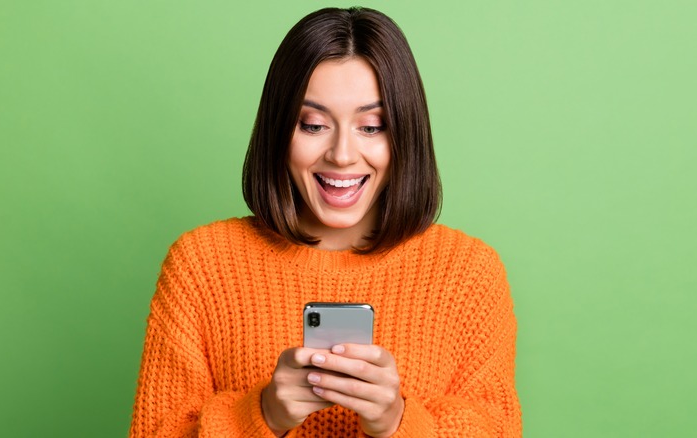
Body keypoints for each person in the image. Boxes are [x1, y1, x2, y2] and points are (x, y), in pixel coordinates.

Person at [129, 7, 520, 437]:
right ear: (279, 129)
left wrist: (396, 423)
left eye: (372, 127)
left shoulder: (468, 274)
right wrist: (263, 414)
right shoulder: (201, 265)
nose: (342, 154)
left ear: (405, 133)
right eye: (313, 124)